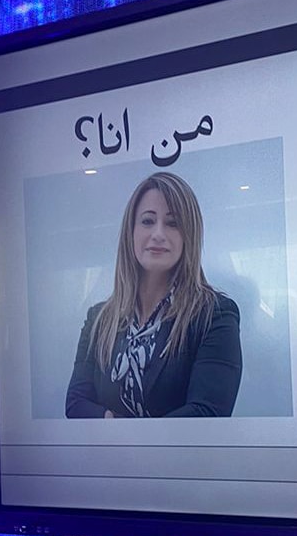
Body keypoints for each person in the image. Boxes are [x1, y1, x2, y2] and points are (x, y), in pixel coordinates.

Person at [66, 171, 242, 418]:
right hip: (110, 448)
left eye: (173, 223)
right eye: (148, 221)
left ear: (189, 235)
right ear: (131, 232)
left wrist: (118, 431)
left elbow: (207, 412)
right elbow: (76, 404)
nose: (158, 233)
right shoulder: (99, 319)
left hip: (180, 449)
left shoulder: (215, 315)